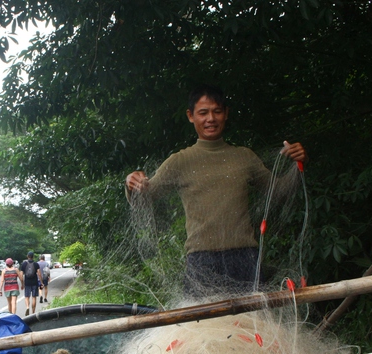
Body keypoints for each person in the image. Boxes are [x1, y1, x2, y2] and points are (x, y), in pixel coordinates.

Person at [125, 84, 308, 295]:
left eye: (217, 111)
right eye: (203, 113)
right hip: (201, 261)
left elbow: (280, 192)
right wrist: (132, 183)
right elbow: (146, 197)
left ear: (226, 113)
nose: (210, 119)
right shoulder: (180, 161)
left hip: (245, 258)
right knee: (202, 317)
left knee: (252, 316)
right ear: (191, 116)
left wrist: (298, 165)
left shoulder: (244, 156)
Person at [20, 251, 43, 315]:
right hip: (34, 282)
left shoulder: (24, 264)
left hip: (27, 282)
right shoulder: (36, 264)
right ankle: (33, 312)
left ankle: (27, 307)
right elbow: (39, 274)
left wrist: (22, 283)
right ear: (33, 257)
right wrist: (41, 282)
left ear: (27, 256)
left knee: (27, 296)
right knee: (34, 297)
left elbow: (21, 275)